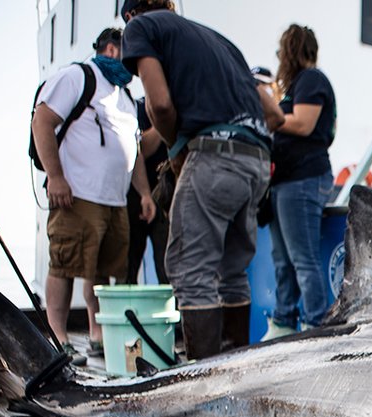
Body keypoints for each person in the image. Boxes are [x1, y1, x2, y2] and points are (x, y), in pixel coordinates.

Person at [121, 0, 284, 359]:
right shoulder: (222, 44)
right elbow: (274, 114)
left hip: (215, 156)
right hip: (256, 161)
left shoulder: (141, 28)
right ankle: (234, 367)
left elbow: (159, 105)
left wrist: (177, 147)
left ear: (131, 14)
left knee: (189, 269)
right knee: (232, 271)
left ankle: (203, 378)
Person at [32, 27, 155, 366]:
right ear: (110, 49)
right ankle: (57, 338)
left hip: (115, 201)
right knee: (65, 265)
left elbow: (136, 151)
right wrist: (56, 177)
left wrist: (144, 192)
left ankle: (96, 333)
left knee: (101, 271)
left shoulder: (126, 96)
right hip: (77, 195)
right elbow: (42, 121)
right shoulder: (78, 77)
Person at [262, 25, 336, 341]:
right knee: (282, 260)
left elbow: (304, 125)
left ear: (291, 51)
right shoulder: (291, 87)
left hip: (304, 179)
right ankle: (283, 322)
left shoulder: (312, 80)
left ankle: (315, 326)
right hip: (284, 181)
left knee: (303, 260)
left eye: (281, 52)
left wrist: (271, 115)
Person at [124, 97, 169, 284]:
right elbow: (140, 149)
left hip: (166, 201)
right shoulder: (139, 107)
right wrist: (162, 119)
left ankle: (171, 312)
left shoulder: (183, 108)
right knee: (128, 267)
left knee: (167, 266)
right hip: (135, 197)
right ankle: (126, 311)